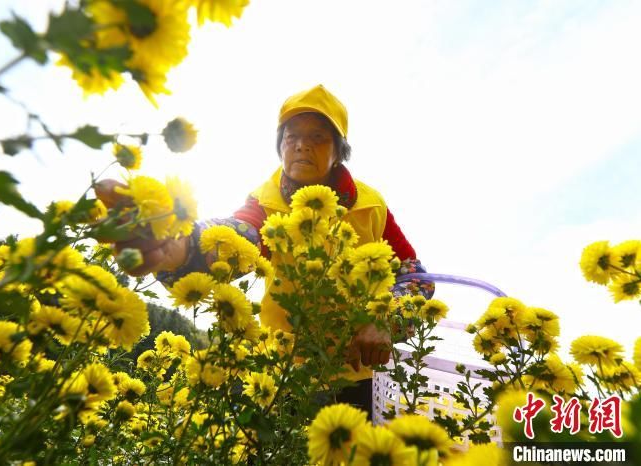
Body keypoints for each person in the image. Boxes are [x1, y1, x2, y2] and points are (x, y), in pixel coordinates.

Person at [95, 84, 433, 414]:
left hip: (354, 377)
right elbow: (240, 233)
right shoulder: (266, 201)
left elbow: (415, 276)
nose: (301, 146)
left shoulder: (370, 206)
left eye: (317, 137)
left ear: (338, 151)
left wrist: (389, 318)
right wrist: (185, 246)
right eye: (291, 137)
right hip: (281, 372)